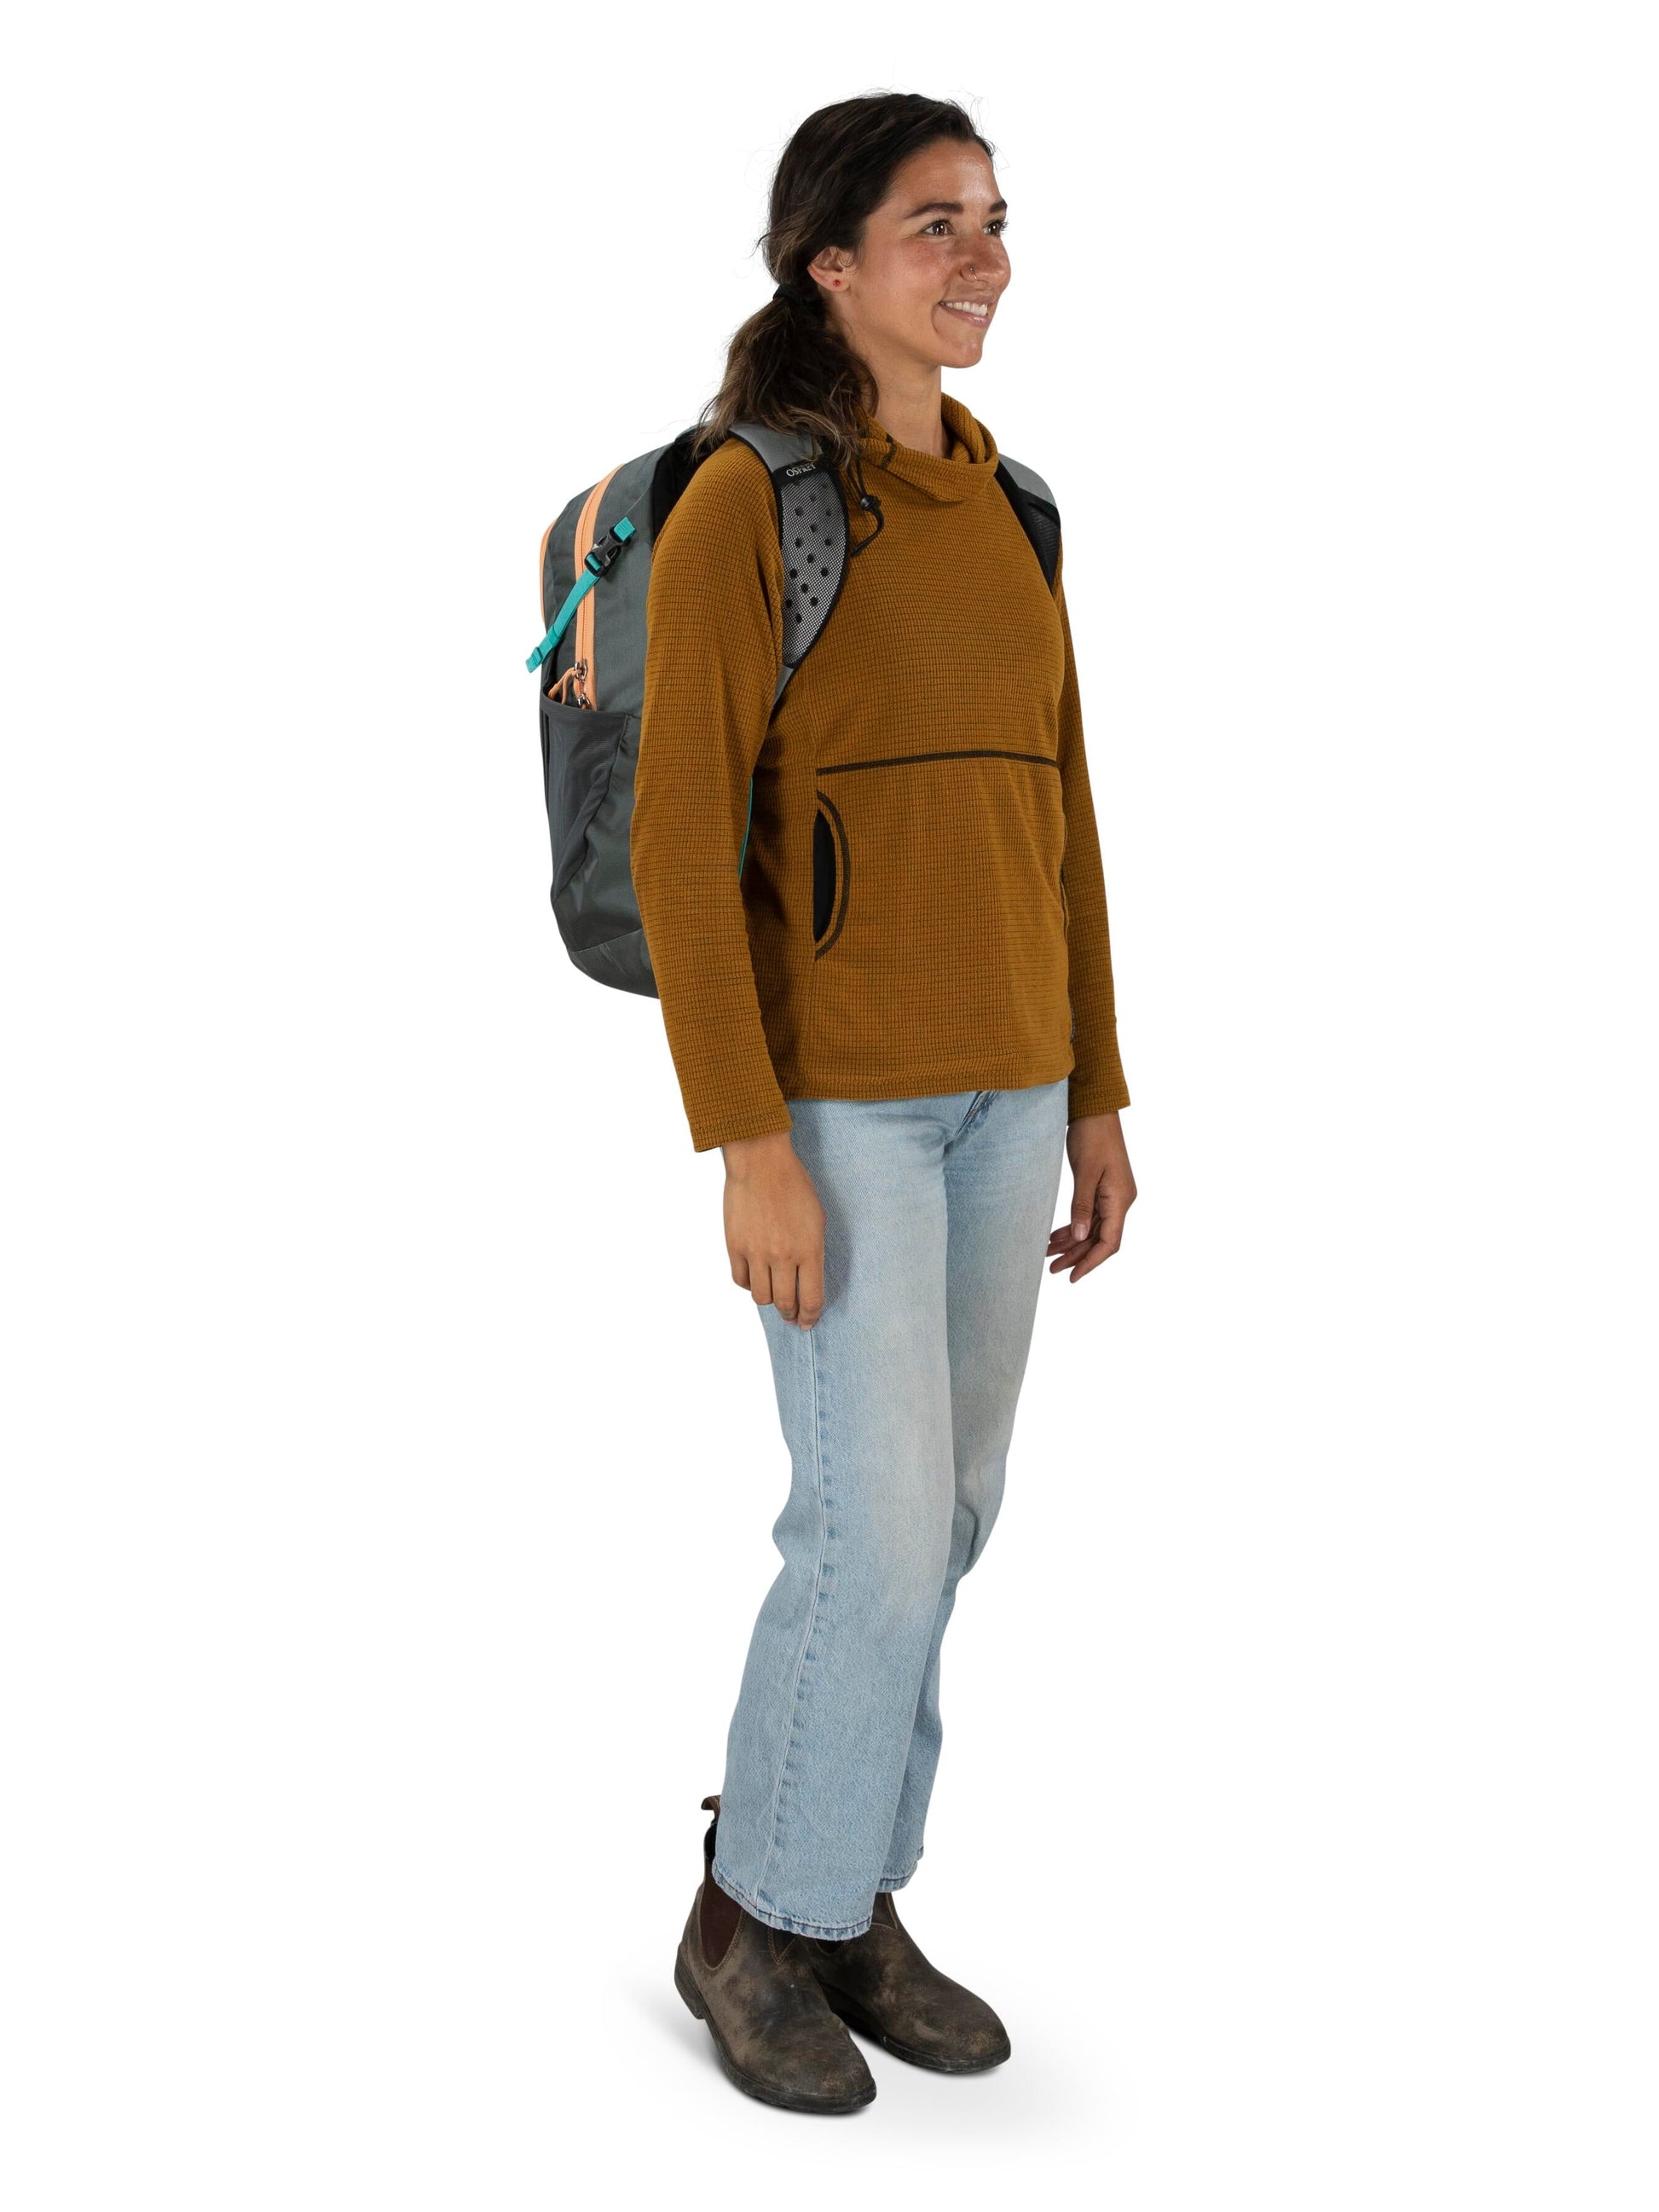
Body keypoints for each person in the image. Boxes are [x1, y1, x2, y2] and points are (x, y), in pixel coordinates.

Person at [628, 91, 1137, 2115]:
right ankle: (751, 1917)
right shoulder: (749, 501)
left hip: (1011, 1094)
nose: (982, 257)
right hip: (838, 1108)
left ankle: (843, 1892)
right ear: (826, 263)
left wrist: (1096, 1089)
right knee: (871, 1524)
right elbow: (681, 847)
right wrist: (745, 1139)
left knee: (947, 1520)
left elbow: (1065, 816)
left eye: (994, 218)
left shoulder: (1015, 511)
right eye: (937, 224)